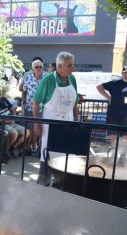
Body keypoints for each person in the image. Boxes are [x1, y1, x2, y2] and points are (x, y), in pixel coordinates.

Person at [33, 51, 80, 185]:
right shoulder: (48, 80)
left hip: (68, 122)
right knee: (47, 153)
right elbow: (36, 102)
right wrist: (37, 124)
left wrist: (76, 121)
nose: (73, 68)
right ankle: (43, 183)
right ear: (60, 67)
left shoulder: (72, 79)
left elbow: (75, 102)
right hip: (50, 123)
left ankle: (62, 184)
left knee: (66, 154)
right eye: (69, 65)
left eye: (72, 65)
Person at [96, 66, 127, 152]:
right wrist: (108, 97)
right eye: (125, 73)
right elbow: (99, 87)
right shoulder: (114, 82)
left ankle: (123, 154)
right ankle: (114, 154)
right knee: (113, 134)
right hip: (113, 112)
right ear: (122, 74)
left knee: (126, 135)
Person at [0, 85, 27, 159]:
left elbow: (12, 108)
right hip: (1, 124)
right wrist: (7, 121)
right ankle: (3, 152)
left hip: (11, 121)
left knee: (26, 132)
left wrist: (14, 117)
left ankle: (11, 149)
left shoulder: (3, 99)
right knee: (14, 133)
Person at [21, 58, 46, 155]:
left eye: (40, 67)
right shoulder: (28, 78)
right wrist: (22, 105)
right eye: (37, 67)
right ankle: (28, 149)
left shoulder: (46, 78)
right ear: (33, 69)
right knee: (30, 130)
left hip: (42, 109)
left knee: (41, 130)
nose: (39, 68)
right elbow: (24, 91)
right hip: (29, 108)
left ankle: (40, 150)